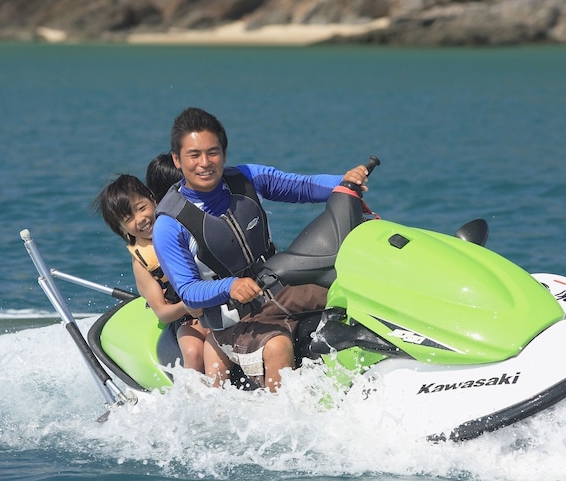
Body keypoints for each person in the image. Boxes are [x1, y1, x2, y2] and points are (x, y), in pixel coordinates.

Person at [152, 107, 370, 391]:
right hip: (232, 318)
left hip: (281, 290)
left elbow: (303, 186)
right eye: (194, 155)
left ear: (224, 153)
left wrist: (345, 183)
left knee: (349, 290)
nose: (205, 163)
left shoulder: (247, 178)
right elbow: (188, 290)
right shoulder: (170, 225)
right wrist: (230, 286)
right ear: (177, 159)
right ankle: (282, 414)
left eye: (212, 152)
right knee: (278, 345)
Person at [92, 172, 211, 373]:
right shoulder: (142, 263)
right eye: (129, 218)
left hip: (221, 297)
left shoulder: (183, 225)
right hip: (188, 314)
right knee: (193, 352)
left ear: (153, 200)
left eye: (141, 208)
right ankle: (194, 392)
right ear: (121, 229)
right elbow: (163, 313)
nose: (140, 219)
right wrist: (188, 305)